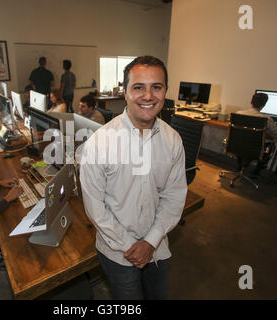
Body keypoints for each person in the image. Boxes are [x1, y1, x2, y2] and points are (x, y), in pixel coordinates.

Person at [79, 56, 188, 299]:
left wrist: (150, 242)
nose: (148, 96)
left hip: (158, 247)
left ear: (165, 91)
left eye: (156, 87)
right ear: (124, 92)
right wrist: (132, 246)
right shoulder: (100, 142)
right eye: (138, 87)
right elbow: (95, 207)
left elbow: (174, 196)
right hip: (118, 252)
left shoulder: (172, 140)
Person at [237, 93, 277, 175]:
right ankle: (256, 172)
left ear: (251, 102)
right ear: (264, 105)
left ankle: (240, 167)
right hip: (255, 149)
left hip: (238, 146)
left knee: (245, 146)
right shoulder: (266, 119)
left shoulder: (239, 114)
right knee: (271, 146)